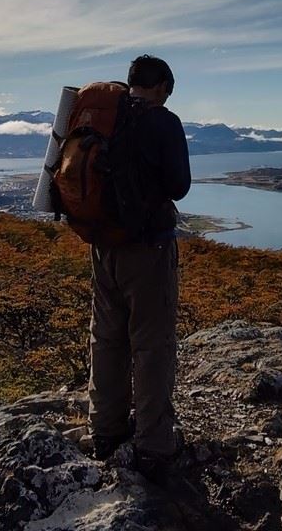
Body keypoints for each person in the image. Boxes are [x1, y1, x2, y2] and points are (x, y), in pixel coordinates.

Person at [87, 55, 191, 480]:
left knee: (107, 338)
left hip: (101, 245)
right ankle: (153, 446)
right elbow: (179, 186)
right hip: (147, 249)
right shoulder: (162, 121)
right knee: (151, 345)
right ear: (163, 85)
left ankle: (106, 432)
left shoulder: (101, 116)